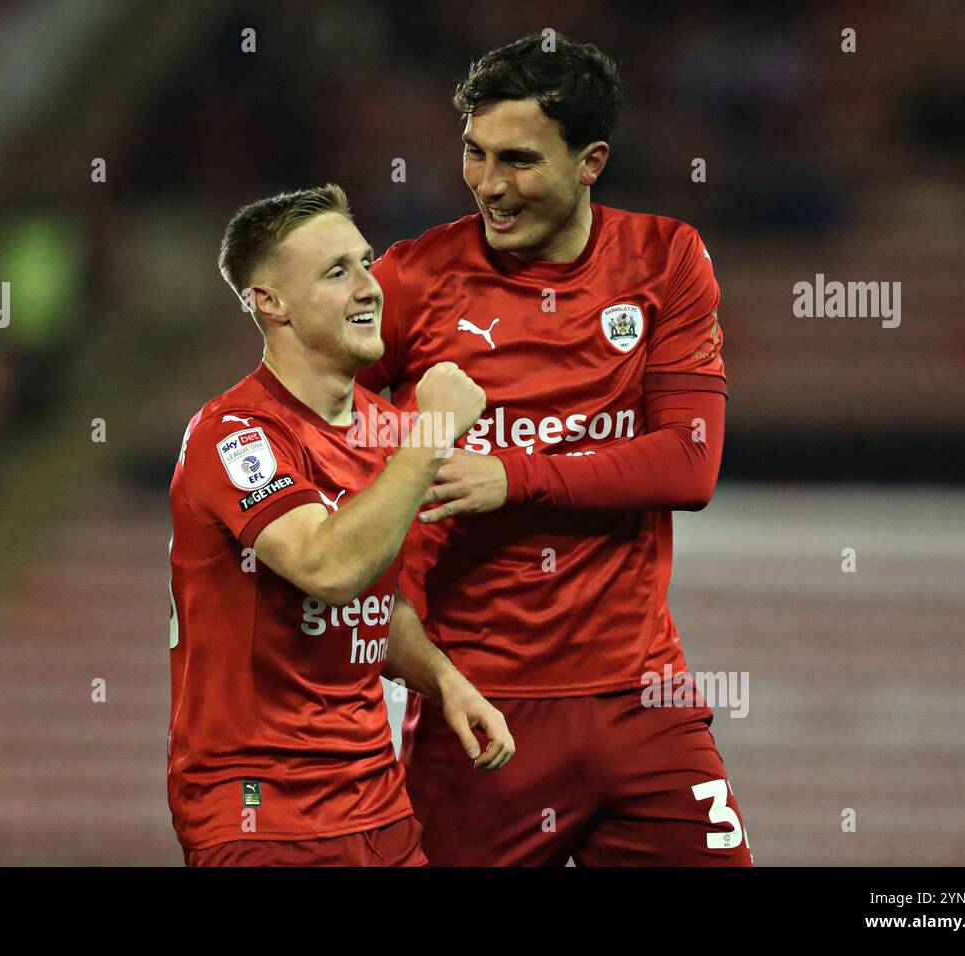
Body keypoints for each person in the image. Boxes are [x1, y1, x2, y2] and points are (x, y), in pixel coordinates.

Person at [357, 33, 752, 866]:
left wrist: (514, 475)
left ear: (591, 161)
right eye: (474, 154)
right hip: (483, 709)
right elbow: (315, 420)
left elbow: (689, 464)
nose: (489, 187)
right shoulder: (412, 281)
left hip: (646, 698)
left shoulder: (666, 260)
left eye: (519, 160)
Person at [167, 183, 514, 866]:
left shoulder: (388, 432)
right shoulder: (234, 435)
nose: (369, 286)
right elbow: (326, 570)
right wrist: (436, 430)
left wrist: (443, 678)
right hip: (260, 814)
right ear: (270, 302)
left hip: (377, 805)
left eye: (366, 262)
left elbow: (371, 603)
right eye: (337, 272)